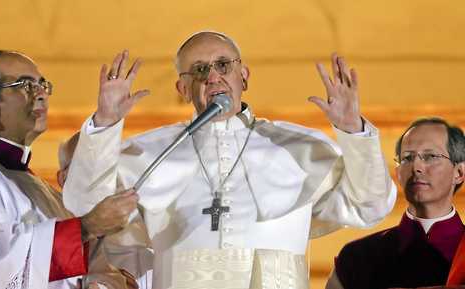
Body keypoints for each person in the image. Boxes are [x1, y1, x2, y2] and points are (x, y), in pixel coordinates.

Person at [62, 31, 397, 289]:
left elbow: (371, 205)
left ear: (244, 76)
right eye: (199, 70)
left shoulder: (300, 147)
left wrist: (353, 131)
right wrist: (105, 124)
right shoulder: (150, 152)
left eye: (224, 65)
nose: (213, 76)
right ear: (182, 87)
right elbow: (84, 206)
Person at [0, 50, 141, 289]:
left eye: (43, 85)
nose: (41, 94)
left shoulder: (46, 192)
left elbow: (88, 269)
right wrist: (86, 227)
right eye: (26, 85)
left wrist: (108, 281)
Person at [326, 118, 465, 289]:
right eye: (407, 158)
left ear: (458, 173)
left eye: (430, 156)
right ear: (398, 173)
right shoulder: (356, 256)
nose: (417, 167)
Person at [57, 132, 153, 289]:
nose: (105, 180)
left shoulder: (152, 227)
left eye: (110, 166)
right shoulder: (60, 245)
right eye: (87, 166)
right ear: (63, 178)